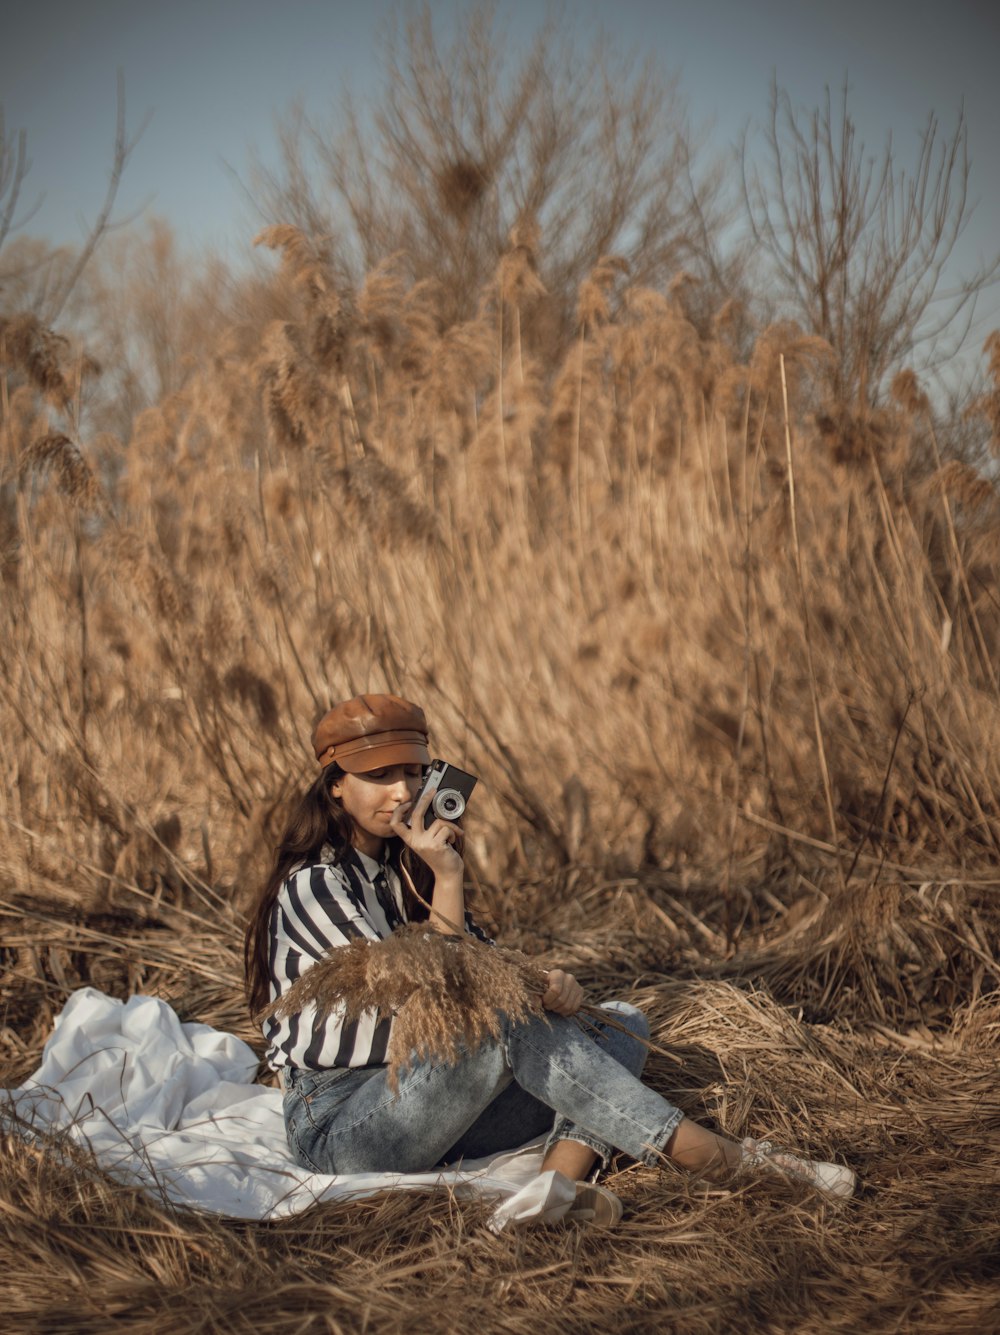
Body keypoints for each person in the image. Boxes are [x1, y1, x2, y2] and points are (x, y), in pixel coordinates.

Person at [244, 693, 855, 1225]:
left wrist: (546, 986)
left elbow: (485, 973)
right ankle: (716, 1157)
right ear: (335, 786)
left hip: (427, 1099)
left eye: (412, 771)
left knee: (617, 1019)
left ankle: (553, 1190)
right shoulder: (315, 885)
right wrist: (450, 881)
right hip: (345, 1123)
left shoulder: (401, 868)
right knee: (507, 1021)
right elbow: (433, 1001)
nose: (401, 792)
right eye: (378, 776)